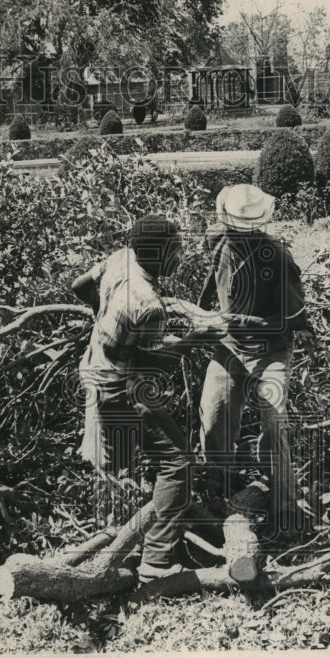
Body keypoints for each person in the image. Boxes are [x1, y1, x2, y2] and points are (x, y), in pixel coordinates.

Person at [72, 215, 228, 582]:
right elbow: (153, 361)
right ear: (158, 253)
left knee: (123, 461)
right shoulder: (149, 305)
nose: (180, 255)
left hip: (96, 366)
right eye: (175, 250)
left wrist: (104, 316)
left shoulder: (120, 257)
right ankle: (156, 561)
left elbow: (80, 285)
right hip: (123, 387)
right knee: (178, 463)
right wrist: (197, 339)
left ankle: (136, 520)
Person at [197, 184, 311, 533]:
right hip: (229, 346)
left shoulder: (277, 256)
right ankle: (219, 495)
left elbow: (295, 321)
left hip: (271, 350)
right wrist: (200, 313)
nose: (238, 236)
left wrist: (238, 320)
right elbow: (214, 276)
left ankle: (287, 509)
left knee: (274, 422)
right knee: (213, 418)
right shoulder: (216, 239)